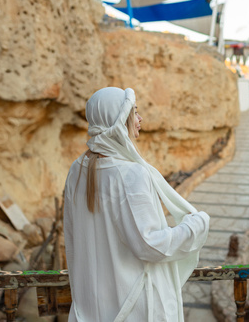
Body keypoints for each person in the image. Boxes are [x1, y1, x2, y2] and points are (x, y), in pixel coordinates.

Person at [63, 87, 210, 322]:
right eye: (134, 113)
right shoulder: (131, 174)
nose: (140, 120)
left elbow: (72, 236)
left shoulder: (76, 170)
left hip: (94, 306)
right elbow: (150, 245)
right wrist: (196, 226)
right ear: (119, 119)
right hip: (135, 308)